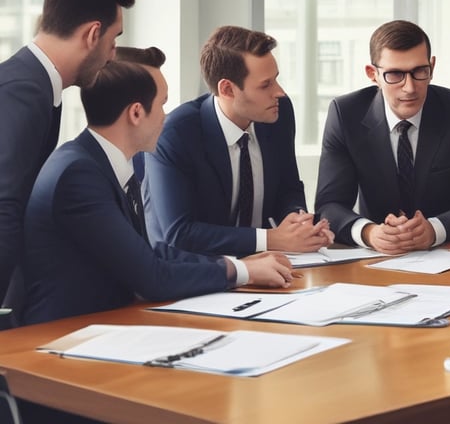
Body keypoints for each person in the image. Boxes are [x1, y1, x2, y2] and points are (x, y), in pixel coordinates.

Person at [22, 47, 294, 326]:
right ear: (136, 113)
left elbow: (150, 252)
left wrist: (242, 266)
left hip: (106, 323)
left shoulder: (100, 162)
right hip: (58, 334)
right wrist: (242, 271)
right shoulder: (78, 175)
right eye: (163, 104)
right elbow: (152, 278)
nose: (166, 116)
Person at [0, 0, 135, 322]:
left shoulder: (35, 84)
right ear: (93, 34)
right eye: (113, 38)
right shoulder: (24, 92)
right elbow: (5, 206)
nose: (113, 53)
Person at [143, 26, 332, 256]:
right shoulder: (176, 134)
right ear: (227, 89)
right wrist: (271, 239)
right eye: (265, 85)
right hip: (195, 272)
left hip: (270, 266)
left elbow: (288, 187)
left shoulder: (279, 112)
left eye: (276, 80)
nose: (279, 92)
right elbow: (179, 233)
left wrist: (299, 223)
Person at [314, 19, 450, 254]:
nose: (409, 87)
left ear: (432, 66)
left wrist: (433, 230)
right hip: (375, 258)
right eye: (395, 75)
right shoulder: (346, 114)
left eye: (420, 71)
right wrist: (369, 232)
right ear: (372, 74)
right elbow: (329, 205)